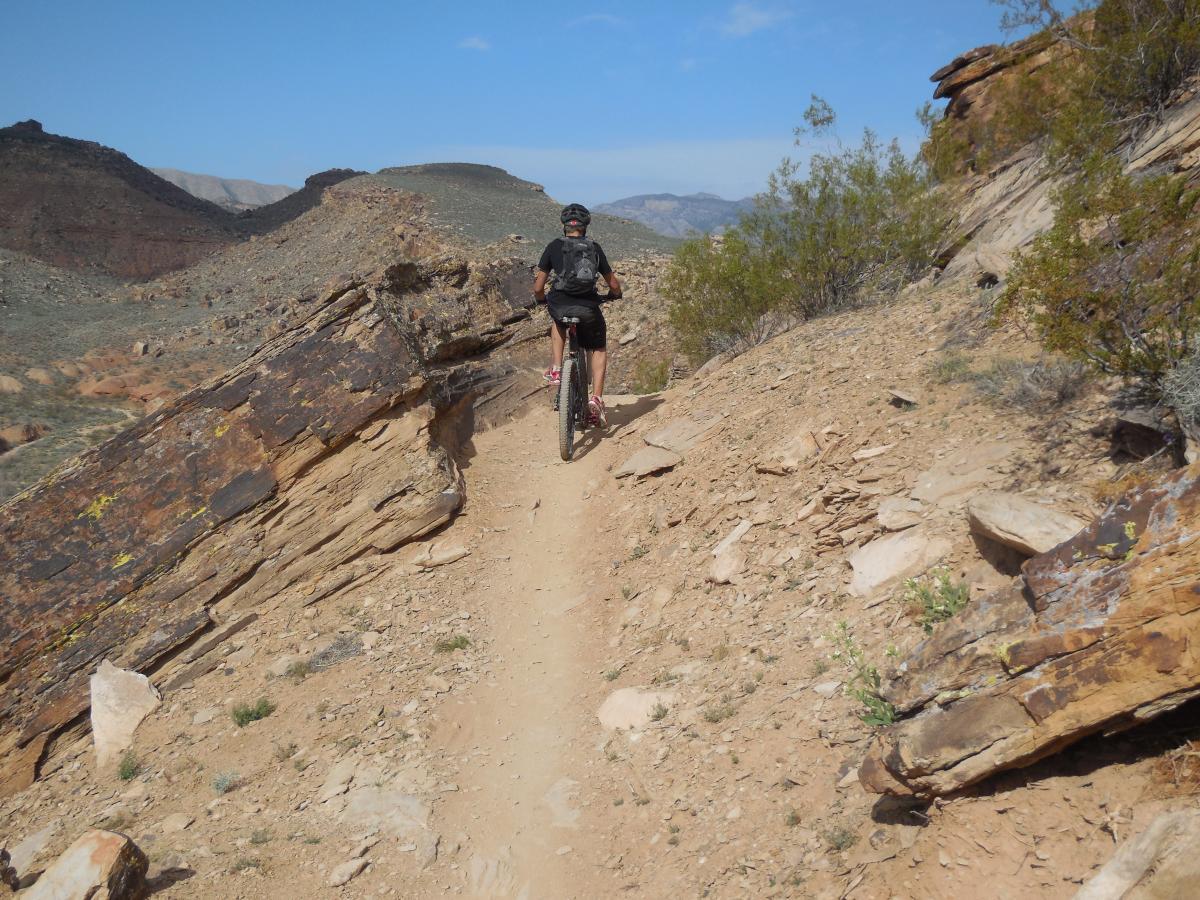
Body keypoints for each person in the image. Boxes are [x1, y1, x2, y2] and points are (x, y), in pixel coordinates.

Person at [533, 203, 623, 426]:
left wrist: (541, 299)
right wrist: (615, 294)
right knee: (599, 347)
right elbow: (612, 282)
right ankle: (596, 400)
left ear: (564, 226)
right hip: (588, 307)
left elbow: (538, 287)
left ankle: (556, 369)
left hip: (560, 304)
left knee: (557, 320)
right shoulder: (594, 247)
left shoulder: (554, 246)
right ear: (585, 226)